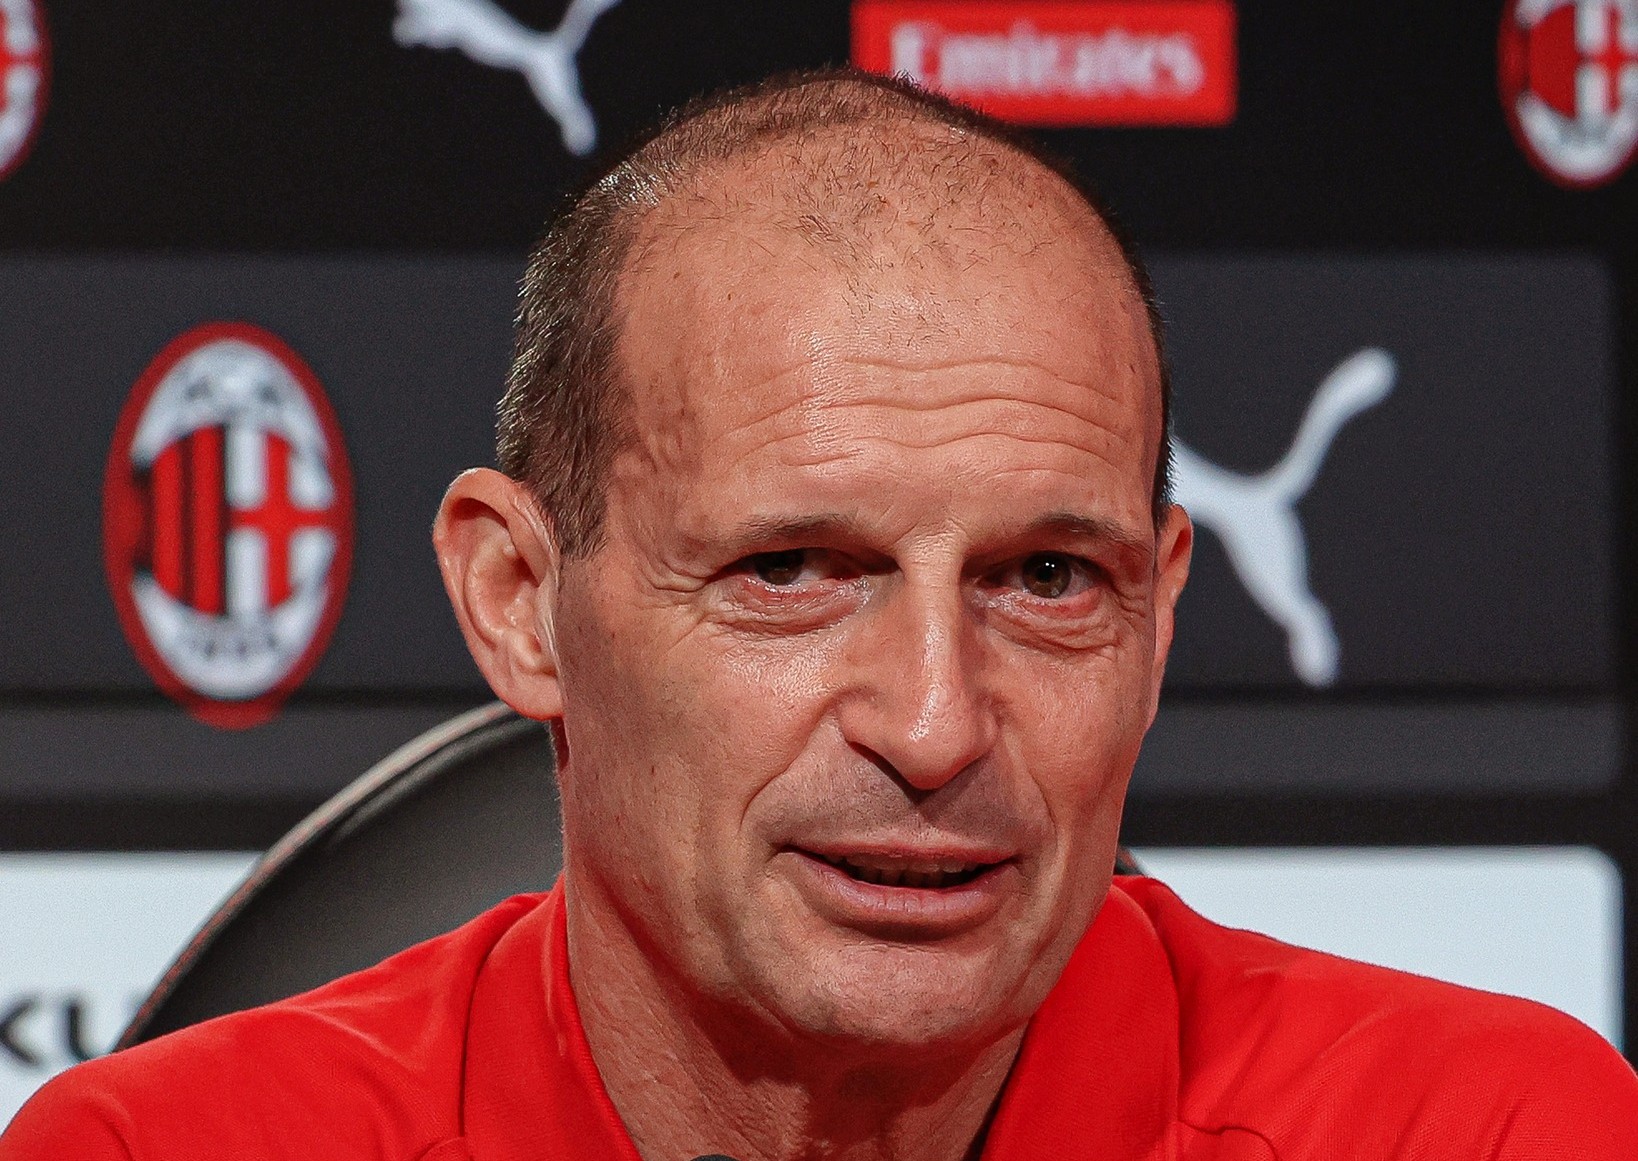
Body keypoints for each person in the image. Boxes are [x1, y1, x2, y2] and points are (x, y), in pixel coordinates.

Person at [4, 68, 1636, 1161]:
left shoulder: (1492, 1135)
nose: (933, 722)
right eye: (789, 570)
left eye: (1045, 578)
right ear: (519, 601)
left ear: (1158, 620)